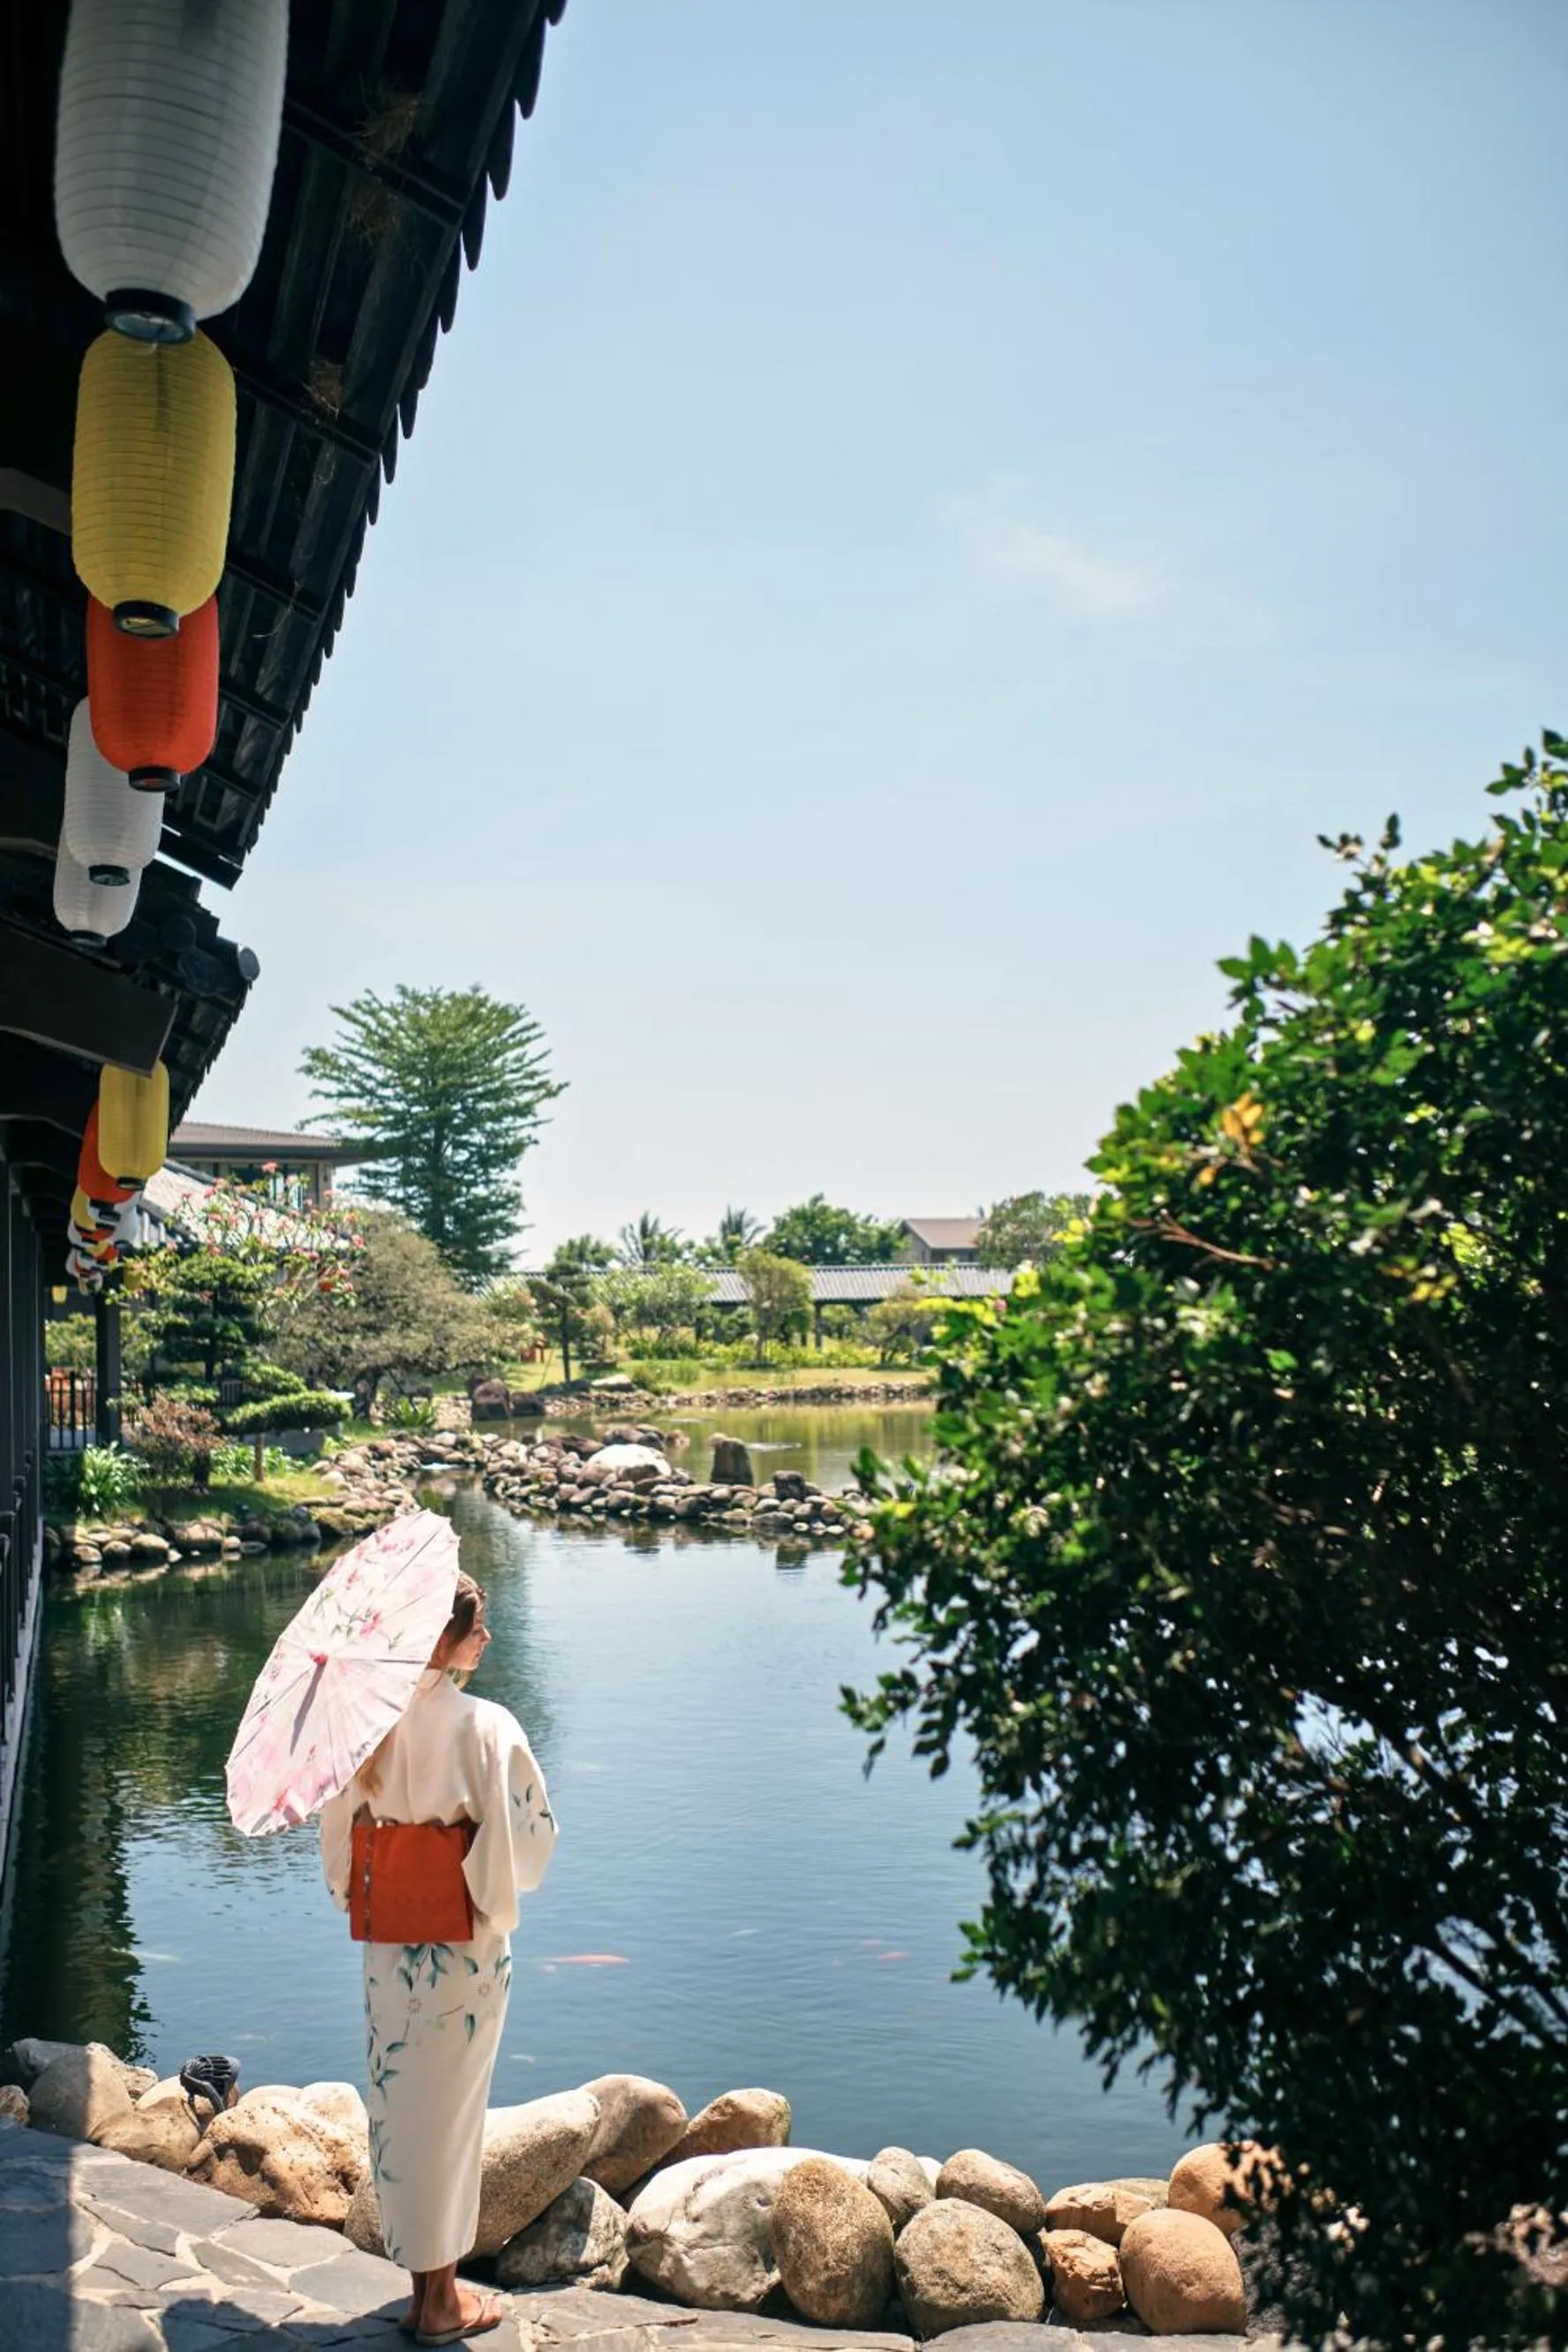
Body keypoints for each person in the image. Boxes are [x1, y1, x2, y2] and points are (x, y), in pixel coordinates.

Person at [320, 1571, 558, 2346]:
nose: (487, 1637)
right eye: (476, 1626)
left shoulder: (368, 1727)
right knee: (453, 2118)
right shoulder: (486, 1725)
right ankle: (443, 2304)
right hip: (464, 1952)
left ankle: (424, 2293)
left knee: (402, 2112)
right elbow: (529, 1843)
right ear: (443, 1639)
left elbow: (336, 1841)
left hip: (390, 1948)